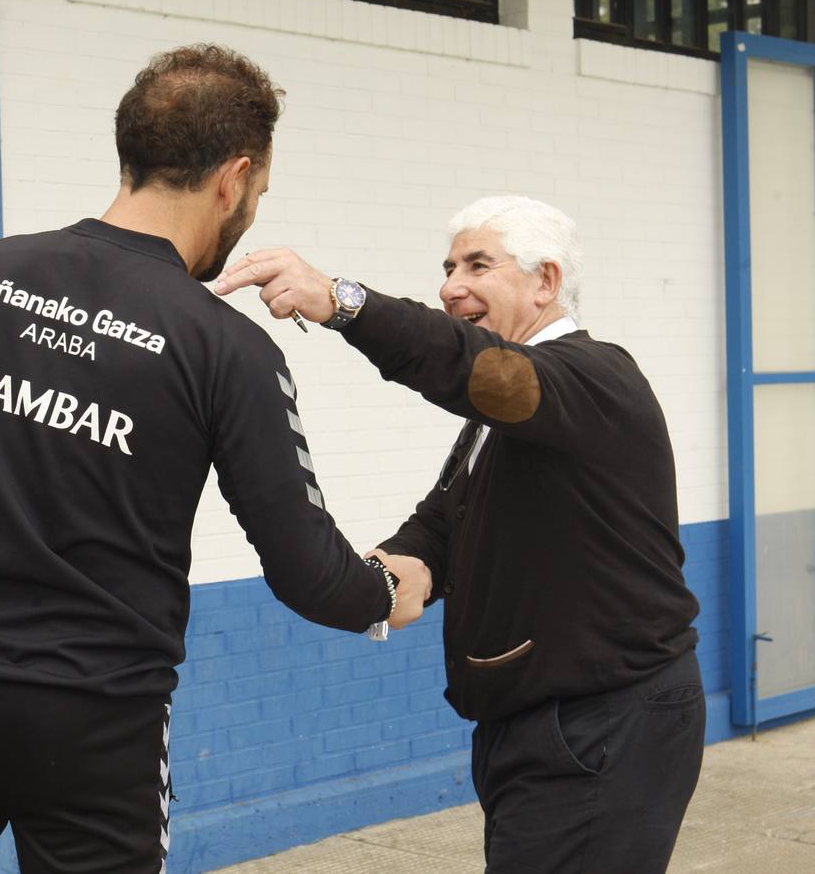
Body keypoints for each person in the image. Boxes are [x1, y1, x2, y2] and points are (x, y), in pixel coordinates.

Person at [0, 44, 429, 874]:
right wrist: (387, 588)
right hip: (94, 719)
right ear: (232, 179)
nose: (251, 211)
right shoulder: (226, 346)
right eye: (258, 194)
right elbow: (307, 570)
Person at [215, 195, 704, 873]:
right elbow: (445, 522)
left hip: (602, 723)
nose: (450, 286)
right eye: (447, 267)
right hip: (531, 724)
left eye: (478, 265)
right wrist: (393, 572)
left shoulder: (590, 380)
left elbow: (473, 368)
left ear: (547, 281)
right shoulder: (509, 418)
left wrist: (343, 302)